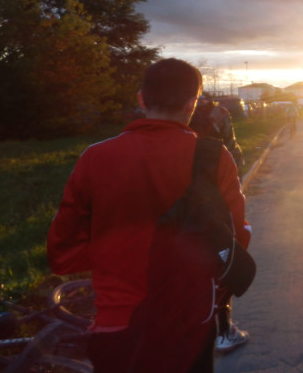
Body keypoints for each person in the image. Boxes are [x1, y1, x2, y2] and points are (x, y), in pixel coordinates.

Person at [47, 58, 251, 372]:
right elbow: (237, 238)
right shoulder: (213, 158)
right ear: (191, 104)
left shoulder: (94, 158)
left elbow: (62, 256)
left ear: (142, 98)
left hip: (118, 325)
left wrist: (114, 255)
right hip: (190, 323)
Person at [188, 94, 250, 353]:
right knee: (222, 258)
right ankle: (224, 331)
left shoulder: (175, 112)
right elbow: (231, 145)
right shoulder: (219, 113)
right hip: (214, 191)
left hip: (176, 195)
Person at [190, 95, 245, 173]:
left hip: (193, 164)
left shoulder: (185, 114)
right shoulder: (219, 112)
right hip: (219, 160)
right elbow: (229, 140)